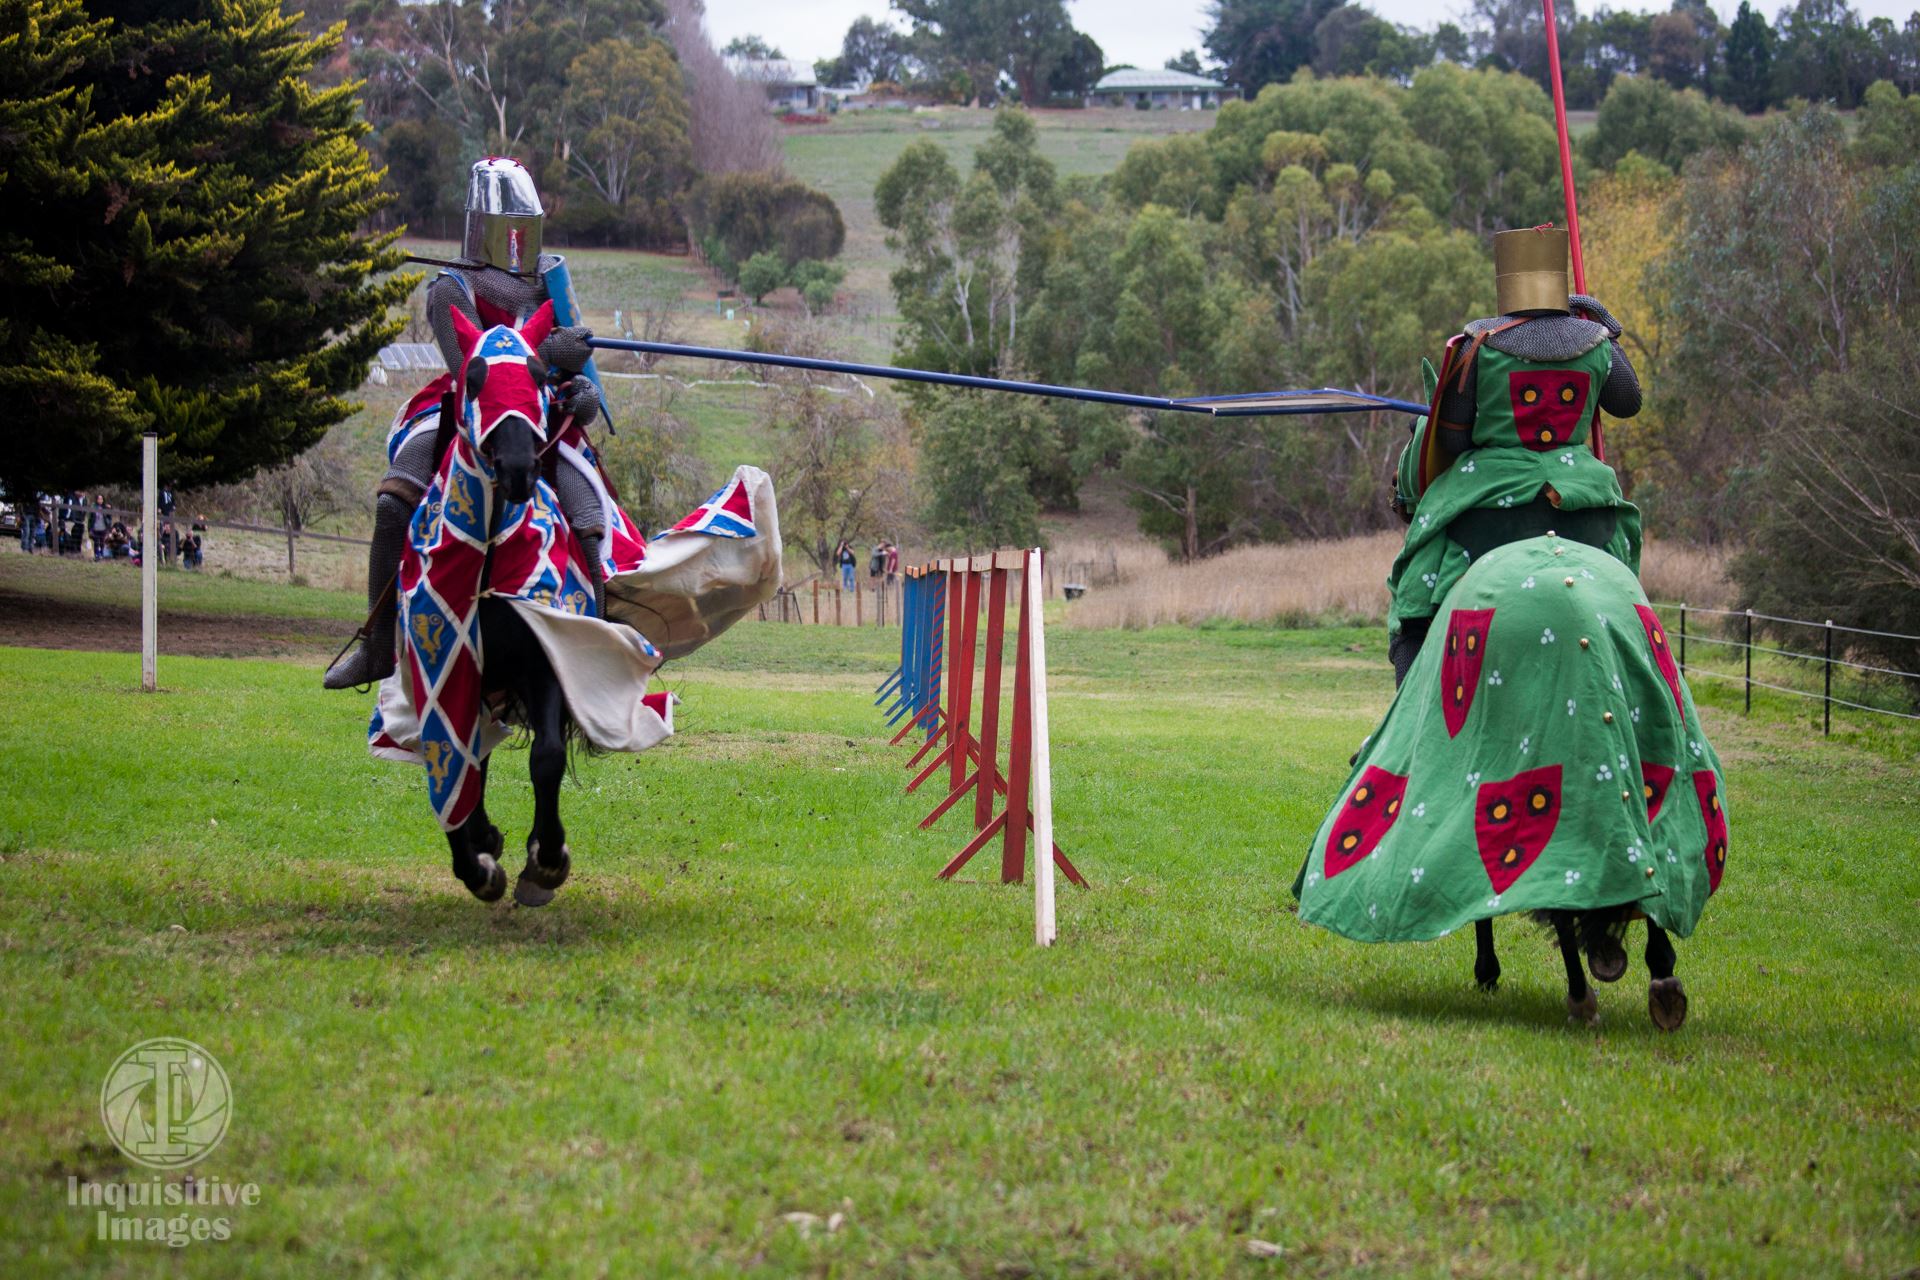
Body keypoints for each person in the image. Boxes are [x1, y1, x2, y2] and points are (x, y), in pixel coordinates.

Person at [1292, 225, 1726, 1025]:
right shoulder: (1594, 342)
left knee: (1419, 610)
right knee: (1623, 599)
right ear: (1560, 286)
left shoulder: (1476, 349)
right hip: (1587, 514)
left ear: (1505, 286)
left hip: (1486, 516)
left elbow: (1444, 448)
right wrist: (1603, 323)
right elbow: (1625, 401)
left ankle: (1414, 727)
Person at [323, 157, 603, 690]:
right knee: (391, 505)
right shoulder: (451, 288)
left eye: (530, 220)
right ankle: (380, 646)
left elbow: (575, 366)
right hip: (468, 409)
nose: (523, 235)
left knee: (588, 511)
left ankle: (605, 644)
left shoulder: (549, 281)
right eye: (513, 222)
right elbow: (475, 371)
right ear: (488, 225)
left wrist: (582, 388)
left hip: (542, 410)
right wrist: (548, 348)